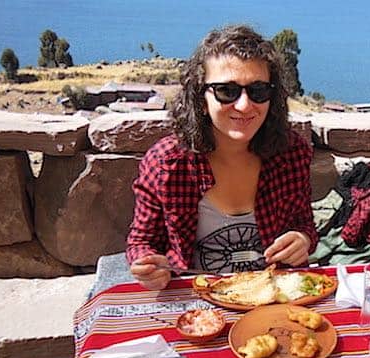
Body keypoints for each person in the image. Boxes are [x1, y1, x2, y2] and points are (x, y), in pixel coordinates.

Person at [127, 24, 318, 290]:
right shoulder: (166, 163)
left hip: (275, 293)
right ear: (201, 99)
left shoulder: (291, 153)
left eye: (259, 90)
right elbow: (141, 242)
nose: (244, 105)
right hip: (196, 296)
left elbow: (304, 224)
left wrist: (303, 239)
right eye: (227, 91)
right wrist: (147, 265)